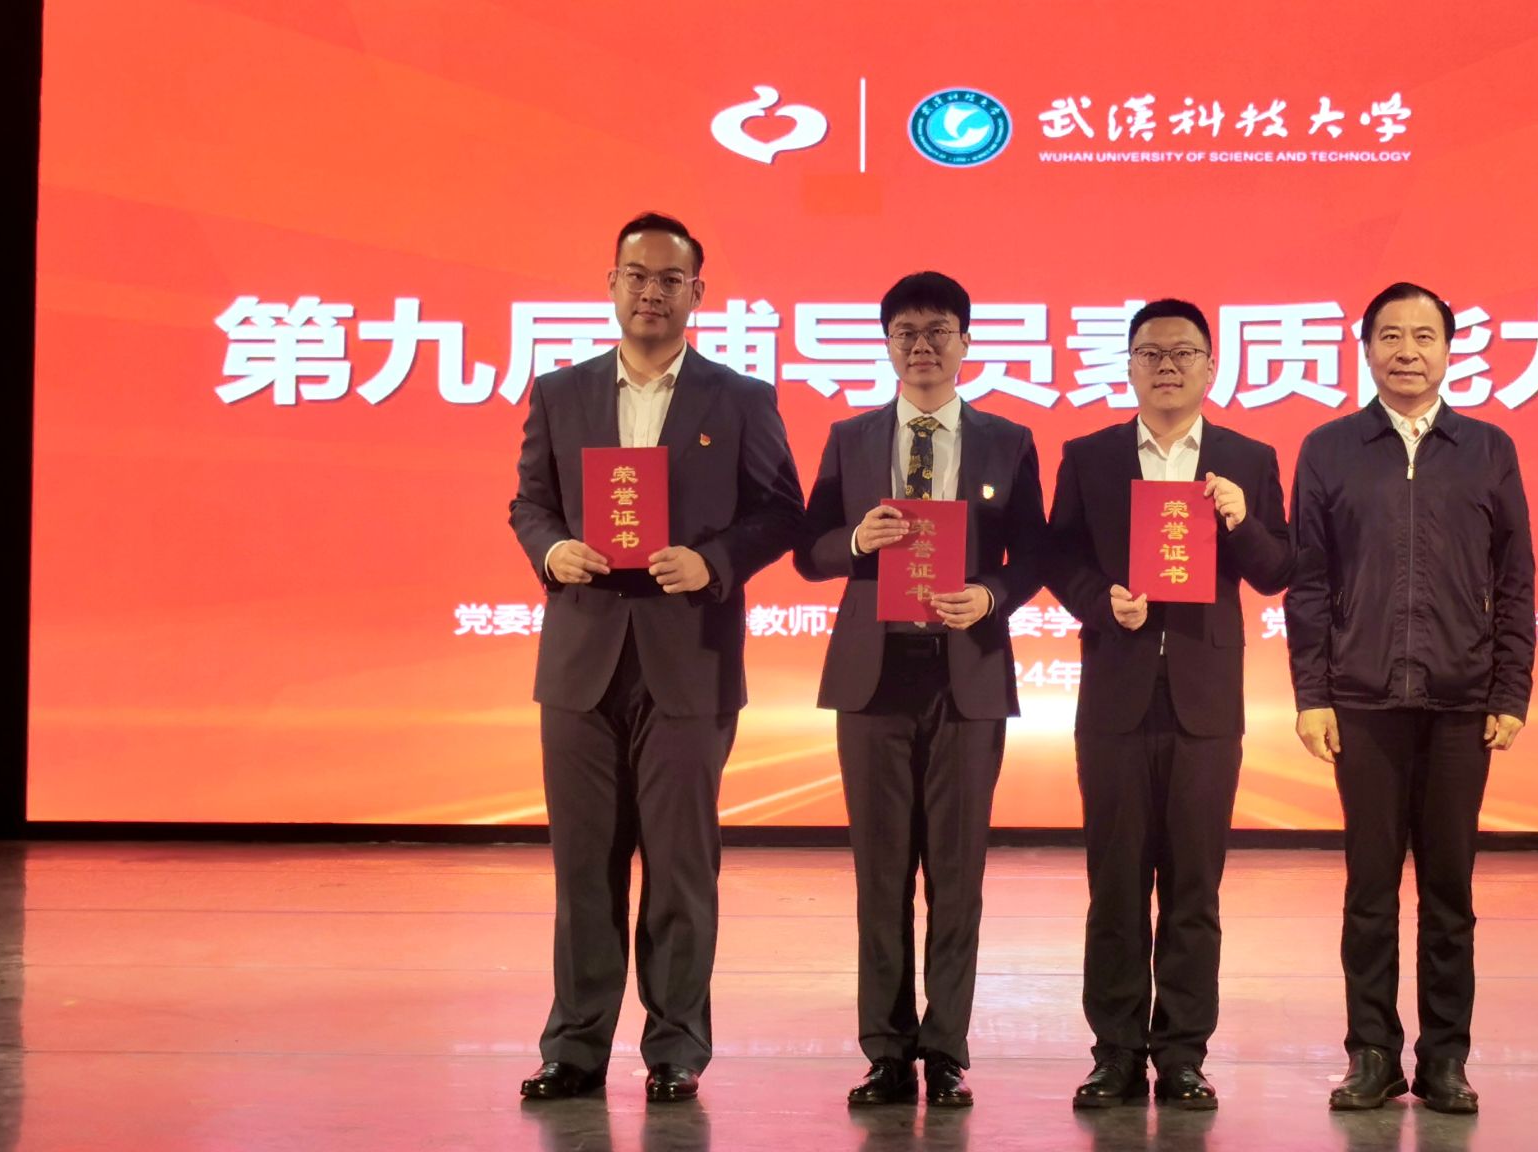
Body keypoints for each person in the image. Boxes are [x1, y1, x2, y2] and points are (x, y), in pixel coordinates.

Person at [508, 212, 803, 1102]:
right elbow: (530, 503)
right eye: (636, 275)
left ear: (696, 293)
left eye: (670, 279)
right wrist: (553, 549)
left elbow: (780, 512)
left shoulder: (739, 398)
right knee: (583, 866)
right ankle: (575, 1047)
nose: (651, 292)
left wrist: (713, 562)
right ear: (611, 284)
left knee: (679, 867)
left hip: (689, 658)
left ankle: (676, 1048)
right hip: (582, 661)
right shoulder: (561, 393)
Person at [793, 271, 1048, 1108]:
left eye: (939, 331)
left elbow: (1034, 554)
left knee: (956, 874)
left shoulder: (1008, 441)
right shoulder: (852, 437)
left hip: (965, 674)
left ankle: (945, 1052)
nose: (923, 347)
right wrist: (855, 541)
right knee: (880, 875)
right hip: (874, 678)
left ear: (967, 342)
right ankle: (884, 1050)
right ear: (887, 345)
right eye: (906, 333)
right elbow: (808, 551)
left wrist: (991, 595)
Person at [1286, 282, 1536, 1115]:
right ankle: (1371, 1056)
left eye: (1424, 336)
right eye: (1390, 336)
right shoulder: (1329, 448)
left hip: (1462, 703)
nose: (1407, 351)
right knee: (1368, 892)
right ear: (1366, 350)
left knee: (1449, 894)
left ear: (1449, 350)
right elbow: (1308, 584)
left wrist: (1512, 690)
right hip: (1360, 703)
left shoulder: (1488, 448)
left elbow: (1516, 579)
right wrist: (1312, 693)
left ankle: (1445, 1060)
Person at [1045, 299, 1292, 1110]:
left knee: (1193, 887)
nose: (1167, 367)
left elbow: (1276, 570)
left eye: (1184, 353)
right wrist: (1100, 602)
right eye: (1150, 353)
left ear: (1211, 366)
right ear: (1128, 365)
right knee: (1115, 884)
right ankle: (1115, 1052)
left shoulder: (1247, 459)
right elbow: (1059, 557)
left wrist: (1241, 520)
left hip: (1205, 701)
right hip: (1115, 696)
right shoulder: (1090, 456)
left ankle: (1182, 1053)